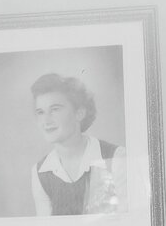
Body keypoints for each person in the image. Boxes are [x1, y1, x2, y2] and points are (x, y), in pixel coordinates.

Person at [29, 72, 126, 216]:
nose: (46, 121)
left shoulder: (116, 159)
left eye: (55, 109)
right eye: (40, 112)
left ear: (79, 113)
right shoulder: (40, 172)